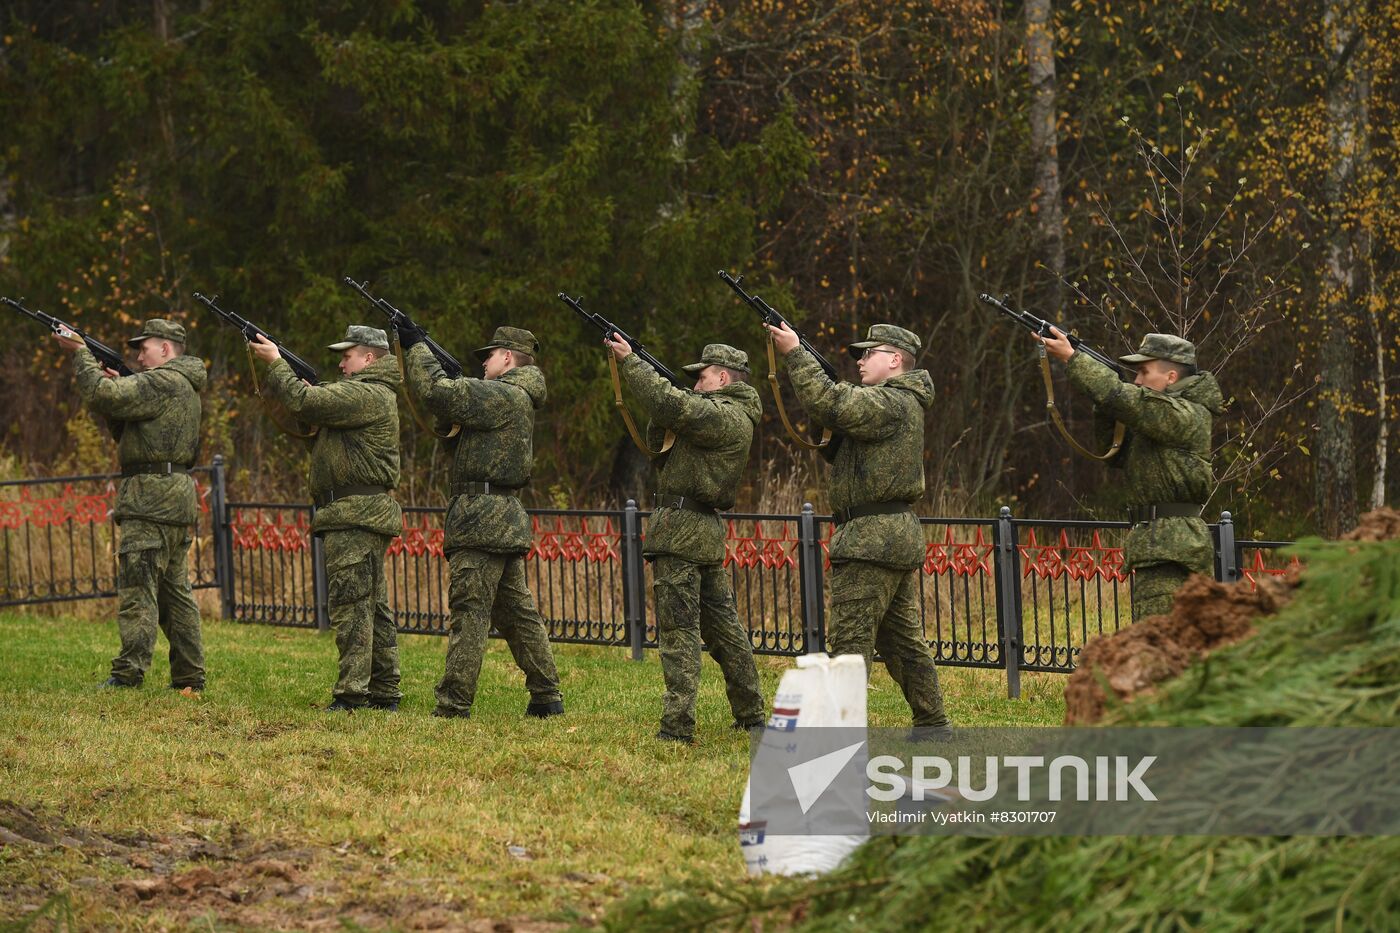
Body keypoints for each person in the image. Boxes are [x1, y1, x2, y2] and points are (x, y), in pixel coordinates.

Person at [766, 321, 951, 735]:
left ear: (895, 360)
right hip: (886, 535)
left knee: (850, 643)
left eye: (869, 353)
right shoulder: (891, 403)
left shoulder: (892, 402)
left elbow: (833, 404)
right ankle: (932, 721)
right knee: (902, 641)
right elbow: (835, 435)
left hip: (871, 538)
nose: (861, 360)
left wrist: (797, 353)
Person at [395, 323, 564, 720]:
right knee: (516, 613)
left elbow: (438, 393)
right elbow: (451, 426)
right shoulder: (510, 397)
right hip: (497, 518)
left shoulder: (503, 395)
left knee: (469, 612)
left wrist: (417, 348)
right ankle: (546, 695)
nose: (483, 364)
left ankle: (454, 703)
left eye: (488, 356)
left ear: (507, 357)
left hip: (481, 519)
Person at [603, 338, 766, 744]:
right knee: (723, 629)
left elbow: (670, 404)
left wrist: (631, 363)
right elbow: (663, 439)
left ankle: (677, 725)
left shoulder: (725, 415)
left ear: (723, 378)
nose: (696, 384)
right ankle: (751, 713)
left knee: (679, 631)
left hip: (683, 531)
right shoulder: (724, 415)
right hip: (696, 530)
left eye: (703, 377)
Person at [250, 325, 403, 712]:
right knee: (372, 606)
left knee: (351, 604)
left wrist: (276, 364)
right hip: (357, 513)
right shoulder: (368, 395)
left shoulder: (366, 393)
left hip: (355, 514)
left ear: (368, 358)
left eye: (347, 356)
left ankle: (353, 694)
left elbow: (304, 402)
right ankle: (383, 690)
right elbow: (314, 419)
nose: (340, 363)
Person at [55, 318, 207, 692]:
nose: (139, 356)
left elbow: (101, 397)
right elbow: (127, 429)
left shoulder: (162, 381)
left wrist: (80, 354)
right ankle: (189, 675)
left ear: (166, 349)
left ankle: (128, 674)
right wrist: (114, 381)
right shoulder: (183, 385)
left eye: (145, 348)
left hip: (150, 500)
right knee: (175, 593)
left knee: (138, 586)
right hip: (173, 496)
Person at [1035, 328, 1224, 620]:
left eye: (1144, 372)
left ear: (1171, 377)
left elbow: (1128, 400)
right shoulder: (1158, 420)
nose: (1137, 380)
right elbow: (1116, 454)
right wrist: (1106, 405)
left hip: (1172, 548)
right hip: (1161, 545)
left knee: (1160, 647)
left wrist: (1074, 359)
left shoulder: (1188, 414)